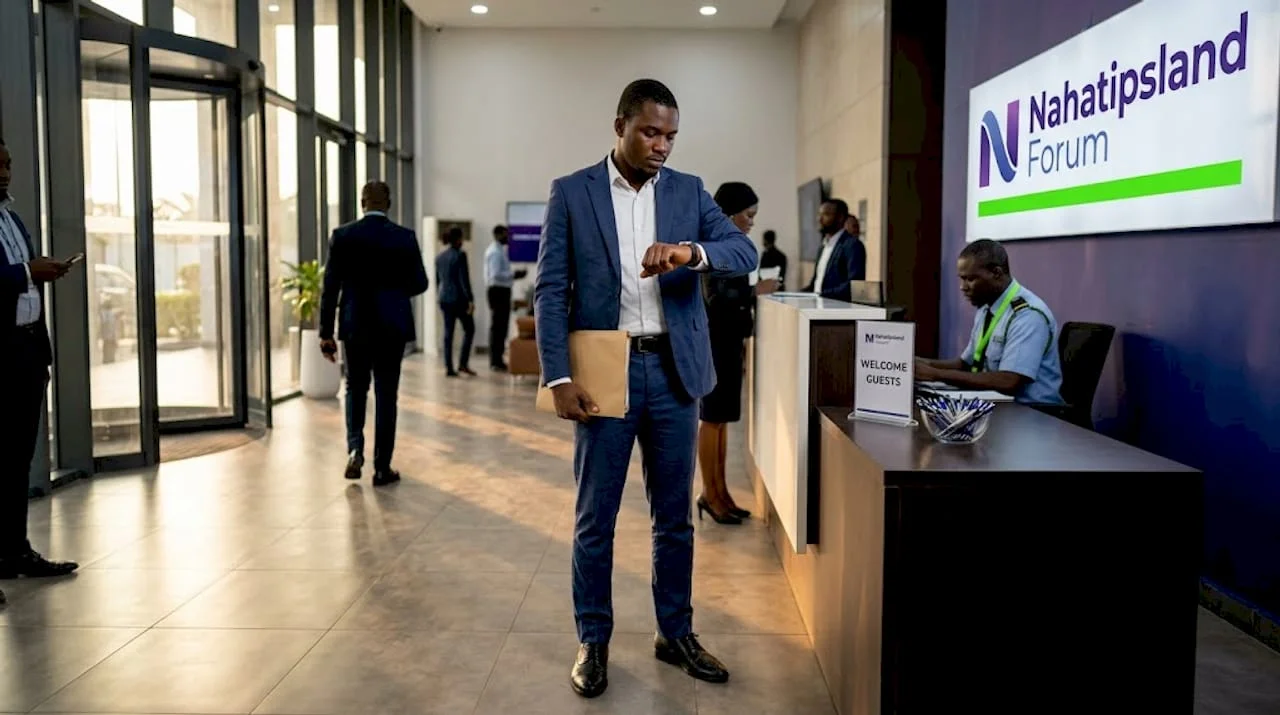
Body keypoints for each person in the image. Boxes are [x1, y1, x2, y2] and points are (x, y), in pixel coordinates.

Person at [536, 78, 757, 698]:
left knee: (674, 519)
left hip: (673, 372)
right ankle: (593, 640)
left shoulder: (688, 190)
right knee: (595, 519)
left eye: (670, 136)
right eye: (650, 133)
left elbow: (742, 252)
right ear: (621, 127)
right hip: (603, 372)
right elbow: (550, 290)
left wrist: (689, 253)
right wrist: (559, 376)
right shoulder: (572, 192)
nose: (662, 145)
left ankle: (675, 633)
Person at [0, 138, 79, 600]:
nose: (5, 172)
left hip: (28, 350)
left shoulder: (12, 219)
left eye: (8, 164)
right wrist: (30, 272)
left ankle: (15, 552)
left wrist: (42, 271)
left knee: (18, 459)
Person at [319, 181, 429, 486]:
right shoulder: (404, 237)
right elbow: (420, 283)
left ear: (362, 203)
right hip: (392, 325)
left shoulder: (342, 236)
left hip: (355, 324)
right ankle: (382, 467)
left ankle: (355, 449)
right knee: (386, 394)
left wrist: (326, 333)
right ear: (389, 204)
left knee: (355, 387)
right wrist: (394, 294)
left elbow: (330, 288)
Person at [915, 239, 1064, 404]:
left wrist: (935, 374)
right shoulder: (987, 307)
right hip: (996, 404)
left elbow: (1008, 381)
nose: (963, 287)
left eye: (970, 279)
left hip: (1033, 411)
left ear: (996, 273)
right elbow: (966, 364)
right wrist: (919, 363)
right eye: (962, 279)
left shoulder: (1027, 315)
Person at [697, 182, 758, 526]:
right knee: (711, 419)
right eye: (748, 214)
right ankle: (710, 493)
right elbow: (715, 298)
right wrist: (754, 292)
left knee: (720, 422)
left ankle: (720, 492)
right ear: (731, 214)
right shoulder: (713, 247)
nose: (751, 221)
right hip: (714, 345)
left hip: (728, 343)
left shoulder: (729, 247)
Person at [483, 224, 527, 371]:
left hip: (500, 291)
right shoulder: (495, 252)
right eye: (505, 234)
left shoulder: (499, 251)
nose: (507, 237)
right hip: (498, 291)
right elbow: (496, 275)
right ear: (497, 235)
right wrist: (514, 274)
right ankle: (495, 361)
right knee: (498, 327)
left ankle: (498, 359)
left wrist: (514, 275)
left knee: (501, 326)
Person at [803, 199, 865, 302]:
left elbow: (854, 285)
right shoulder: (823, 247)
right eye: (819, 214)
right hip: (818, 306)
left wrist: (822, 294)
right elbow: (816, 284)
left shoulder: (852, 245)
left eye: (826, 215)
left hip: (838, 309)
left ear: (840, 218)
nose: (819, 219)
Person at [436, 226, 476, 377]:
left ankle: (449, 368)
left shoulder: (439, 257)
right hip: (459, 300)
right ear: (458, 239)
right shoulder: (460, 255)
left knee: (448, 334)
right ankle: (463, 364)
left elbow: (438, 281)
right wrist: (470, 299)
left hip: (444, 299)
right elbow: (464, 280)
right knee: (470, 329)